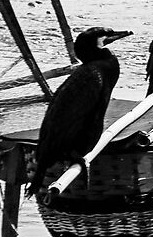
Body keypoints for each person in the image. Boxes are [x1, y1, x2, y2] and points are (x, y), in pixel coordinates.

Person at [35, 26, 131, 191]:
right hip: (63, 146)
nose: (114, 37)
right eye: (106, 37)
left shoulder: (93, 71)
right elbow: (71, 122)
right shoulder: (92, 76)